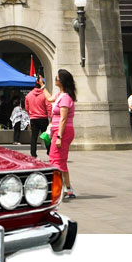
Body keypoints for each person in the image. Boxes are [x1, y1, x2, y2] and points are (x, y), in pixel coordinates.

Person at [49, 69, 78, 201]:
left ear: (62, 81)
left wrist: (59, 136)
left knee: (55, 160)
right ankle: (68, 189)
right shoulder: (59, 95)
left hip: (63, 132)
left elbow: (63, 119)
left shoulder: (65, 97)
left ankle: (58, 190)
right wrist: (42, 86)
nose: (55, 79)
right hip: (58, 131)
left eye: (57, 78)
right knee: (60, 161)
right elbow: (49, 98)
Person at [24, 77, 50, 159]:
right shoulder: (44, 95)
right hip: (43, 118)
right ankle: (49, 151)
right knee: (46, 136)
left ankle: (33, 154)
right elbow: (48, 106)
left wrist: (31, 114)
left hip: (33, 118)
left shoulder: (28, 95)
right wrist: (49, 115)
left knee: (34, 137)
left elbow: (26, 108)